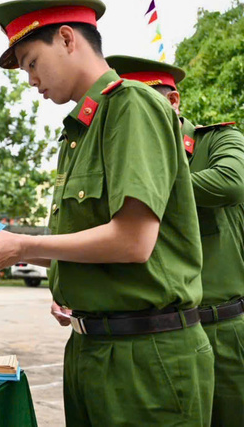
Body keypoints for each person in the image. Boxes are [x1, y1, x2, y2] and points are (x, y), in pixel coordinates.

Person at [0, 0, 212, 425]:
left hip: (147, 356)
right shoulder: (79, 131)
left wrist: (21, 243)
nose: (32, 79)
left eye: (32, 62)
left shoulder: (131, 104)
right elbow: (76, 246)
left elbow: (133, 241)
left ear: (67, 38)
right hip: (91, 350)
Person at [102, 55, 242, 426]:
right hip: (156, 338)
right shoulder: (117, 159)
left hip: (222, 328)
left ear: (174, 101)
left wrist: (144, 186)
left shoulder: (219, 140)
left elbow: (231, 182)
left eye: (146, 101)